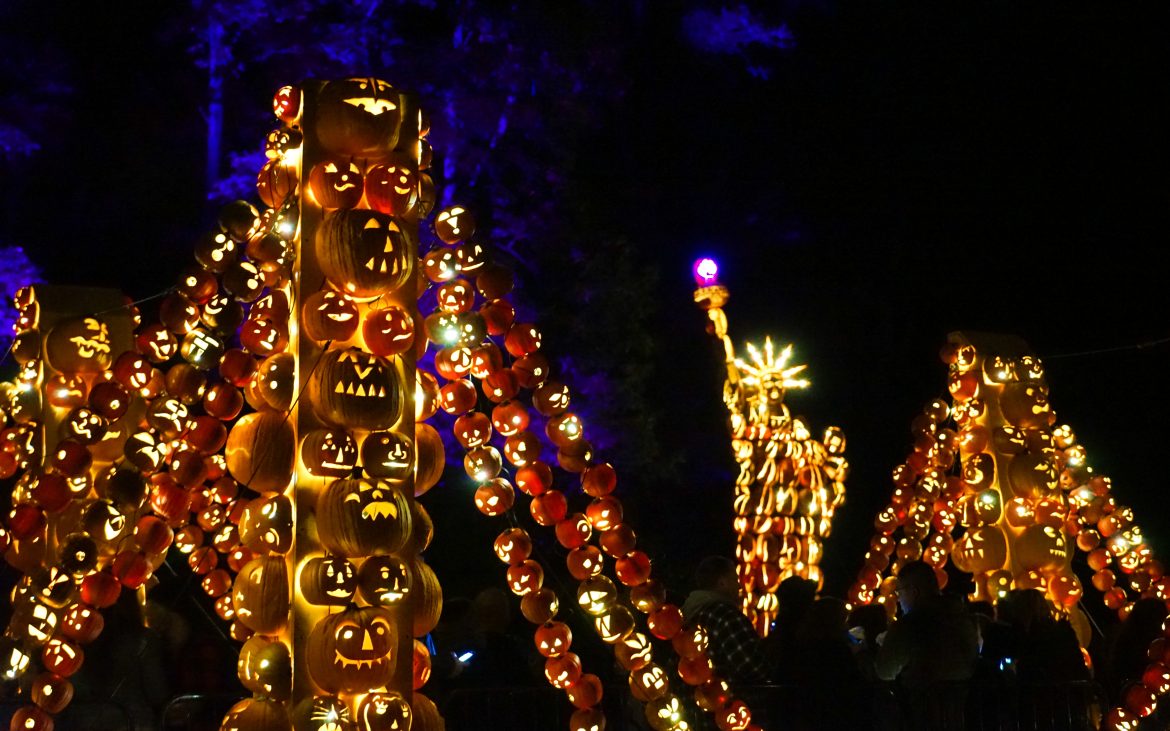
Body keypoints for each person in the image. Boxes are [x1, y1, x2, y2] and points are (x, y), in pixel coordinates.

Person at [875, 561, 978, 730]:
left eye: (899, 592)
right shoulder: (964, 618)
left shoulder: (910, 624)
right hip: (961, 715)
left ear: (914, 591)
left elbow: (885, 671)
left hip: (920, 713)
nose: (898, 599)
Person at [681, 556, 769, 687]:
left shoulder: (688, 616)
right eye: (735, 579)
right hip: (729, 701)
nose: (739, 586)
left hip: (697, 699)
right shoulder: (725, 616)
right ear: (722, 583)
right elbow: (753, 666)